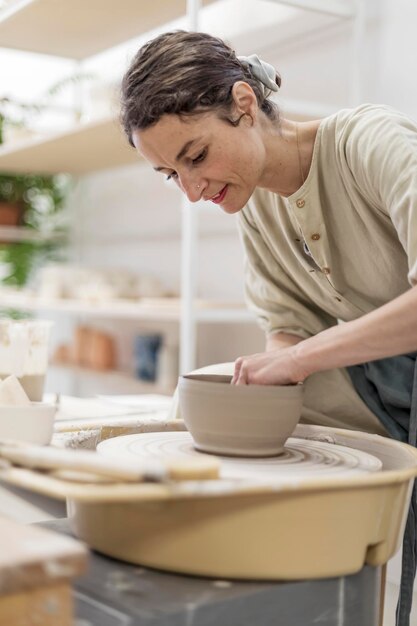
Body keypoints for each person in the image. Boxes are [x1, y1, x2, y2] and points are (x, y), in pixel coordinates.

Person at [120, 31, 416, 624]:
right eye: (170, 175)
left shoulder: (369, 142)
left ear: (244, 105)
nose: (193, 191)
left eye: (197, 157)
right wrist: (261, 380)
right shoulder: (254, 205)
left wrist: (298, 360)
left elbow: (302, 352)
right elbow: (289, 325)